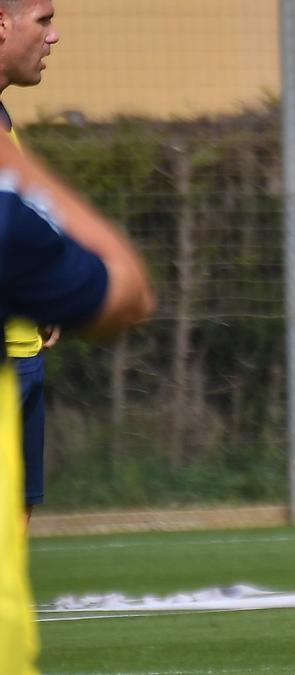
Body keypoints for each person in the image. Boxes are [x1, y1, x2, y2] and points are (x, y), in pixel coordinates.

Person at [0, 130, 155, 670]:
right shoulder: (7, 210)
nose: (51, 38)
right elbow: (129, 290)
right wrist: (19, 169)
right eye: (37, 33)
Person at [0, 0, 61, 526]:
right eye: (44, 20)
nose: (54, 37)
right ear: (2, 26)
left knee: (14, 524)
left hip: (24, 353)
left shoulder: (2, 118)